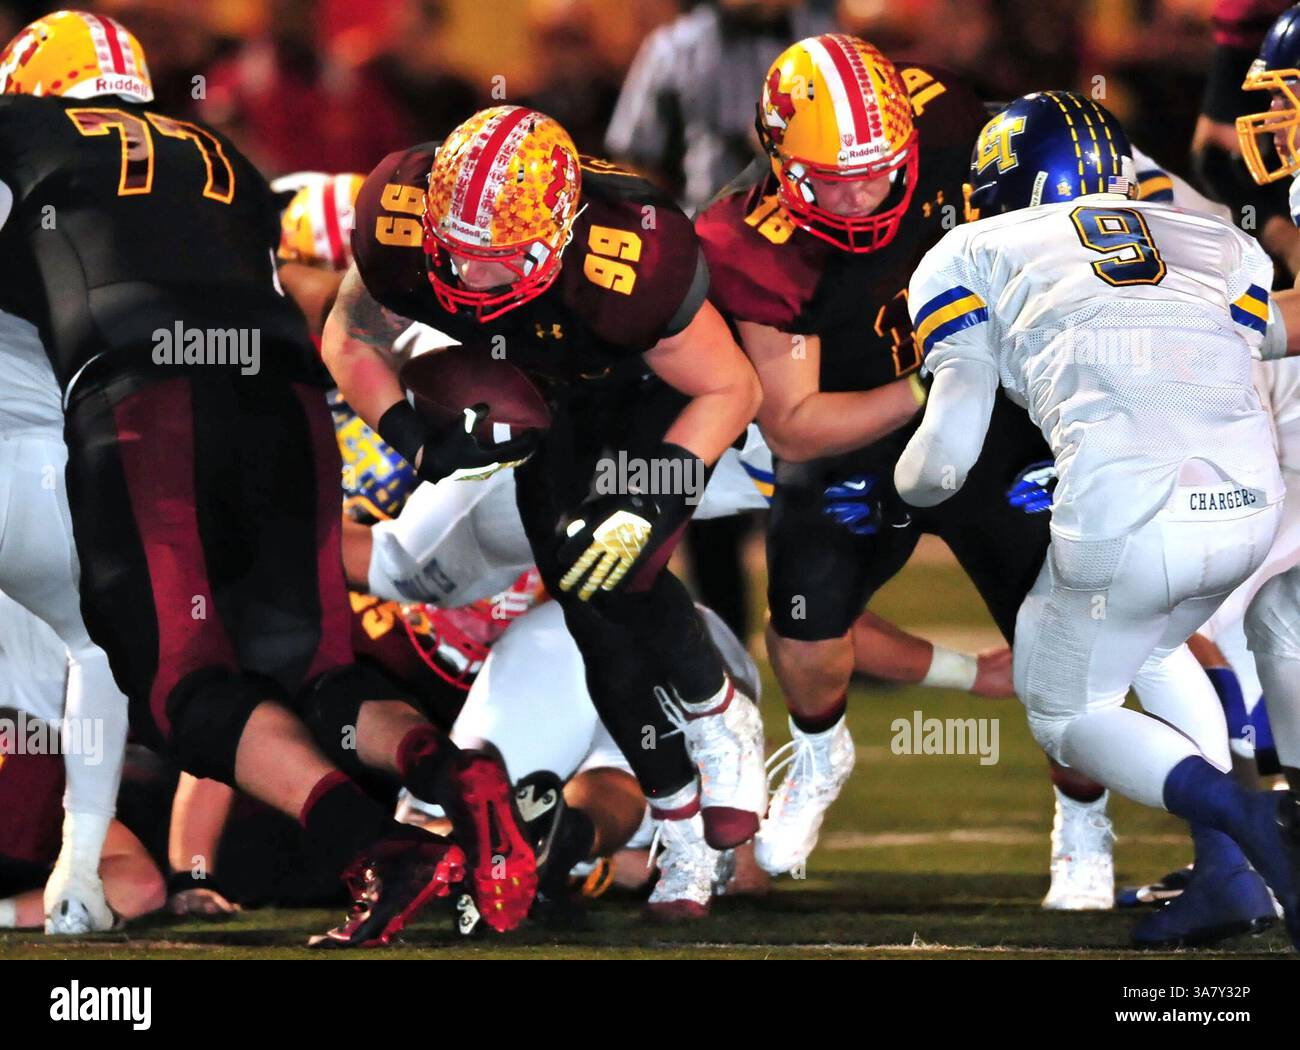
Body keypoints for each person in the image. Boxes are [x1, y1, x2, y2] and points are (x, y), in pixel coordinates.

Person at [0, 10, 537, 947]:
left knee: (178, 689)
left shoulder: (22, 131)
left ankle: (379, 850)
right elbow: (316, 236)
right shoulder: (220, 158)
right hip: (287, 398)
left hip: (149, 403)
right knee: (315, 669)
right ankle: (454, 775)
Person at [894, 89, 1300, 949]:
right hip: (1248, 504)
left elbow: (944, 456)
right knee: (1150, 646)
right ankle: (1228, 879)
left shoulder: (968, 247)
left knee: (1064, 712)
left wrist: (896, 493)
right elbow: (1223, 356)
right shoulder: (1216, 241)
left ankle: (1253, 818)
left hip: (1135, 512)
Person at [324, 105, 768, 856]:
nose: (471, 274)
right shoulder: (398, 214)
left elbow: (732, 391)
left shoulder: (628, 257)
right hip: (537, 393)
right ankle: (677, 818)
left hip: (640, 391)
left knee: (615, 559)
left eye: (498, 256)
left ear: (558, 238)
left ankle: (719, 712)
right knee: (582, 597)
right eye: (457, 250)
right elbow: (350, 334)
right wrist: (412, 441)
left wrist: (647, 495)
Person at [695, 33, 1063, 882]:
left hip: (992, 428)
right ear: (780, 161)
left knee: (1059, 643)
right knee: (803, 624)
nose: (861, 193)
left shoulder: (952, 127)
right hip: (854, 434)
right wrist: (934, 387)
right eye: (831, 177)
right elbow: (794, 424)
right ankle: (819, 755)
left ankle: (1083, 823)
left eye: (876, 168)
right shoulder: (753, 238)